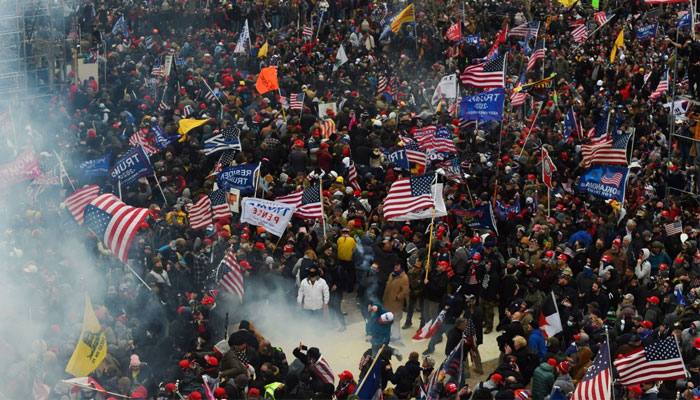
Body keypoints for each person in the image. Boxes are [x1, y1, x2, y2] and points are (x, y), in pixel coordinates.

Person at [383, 261, 409, 344]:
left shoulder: (404, 277)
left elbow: (405, 291)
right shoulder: (392, 274)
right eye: (395, 265)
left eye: (398, 265)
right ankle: (389, 334)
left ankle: (396, 337)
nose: (396, 267)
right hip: (387, 302)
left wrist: (397, 297)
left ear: (401, 267)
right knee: (388, 319)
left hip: (396, 303)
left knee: (396, 321)